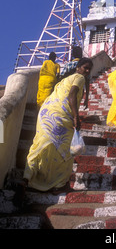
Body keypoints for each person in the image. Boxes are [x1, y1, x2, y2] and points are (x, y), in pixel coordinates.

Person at [13, 58, 93, 204]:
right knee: (67, 151)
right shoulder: (79, 77)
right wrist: (76, 117)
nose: (87, 71)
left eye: (89, 69)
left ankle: (26, 179)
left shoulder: (64, 80)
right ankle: (60, 185)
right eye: (85, 68)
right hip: (60, 116)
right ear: (78, 67)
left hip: (45, 113)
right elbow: (72, 95)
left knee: (39, 146)